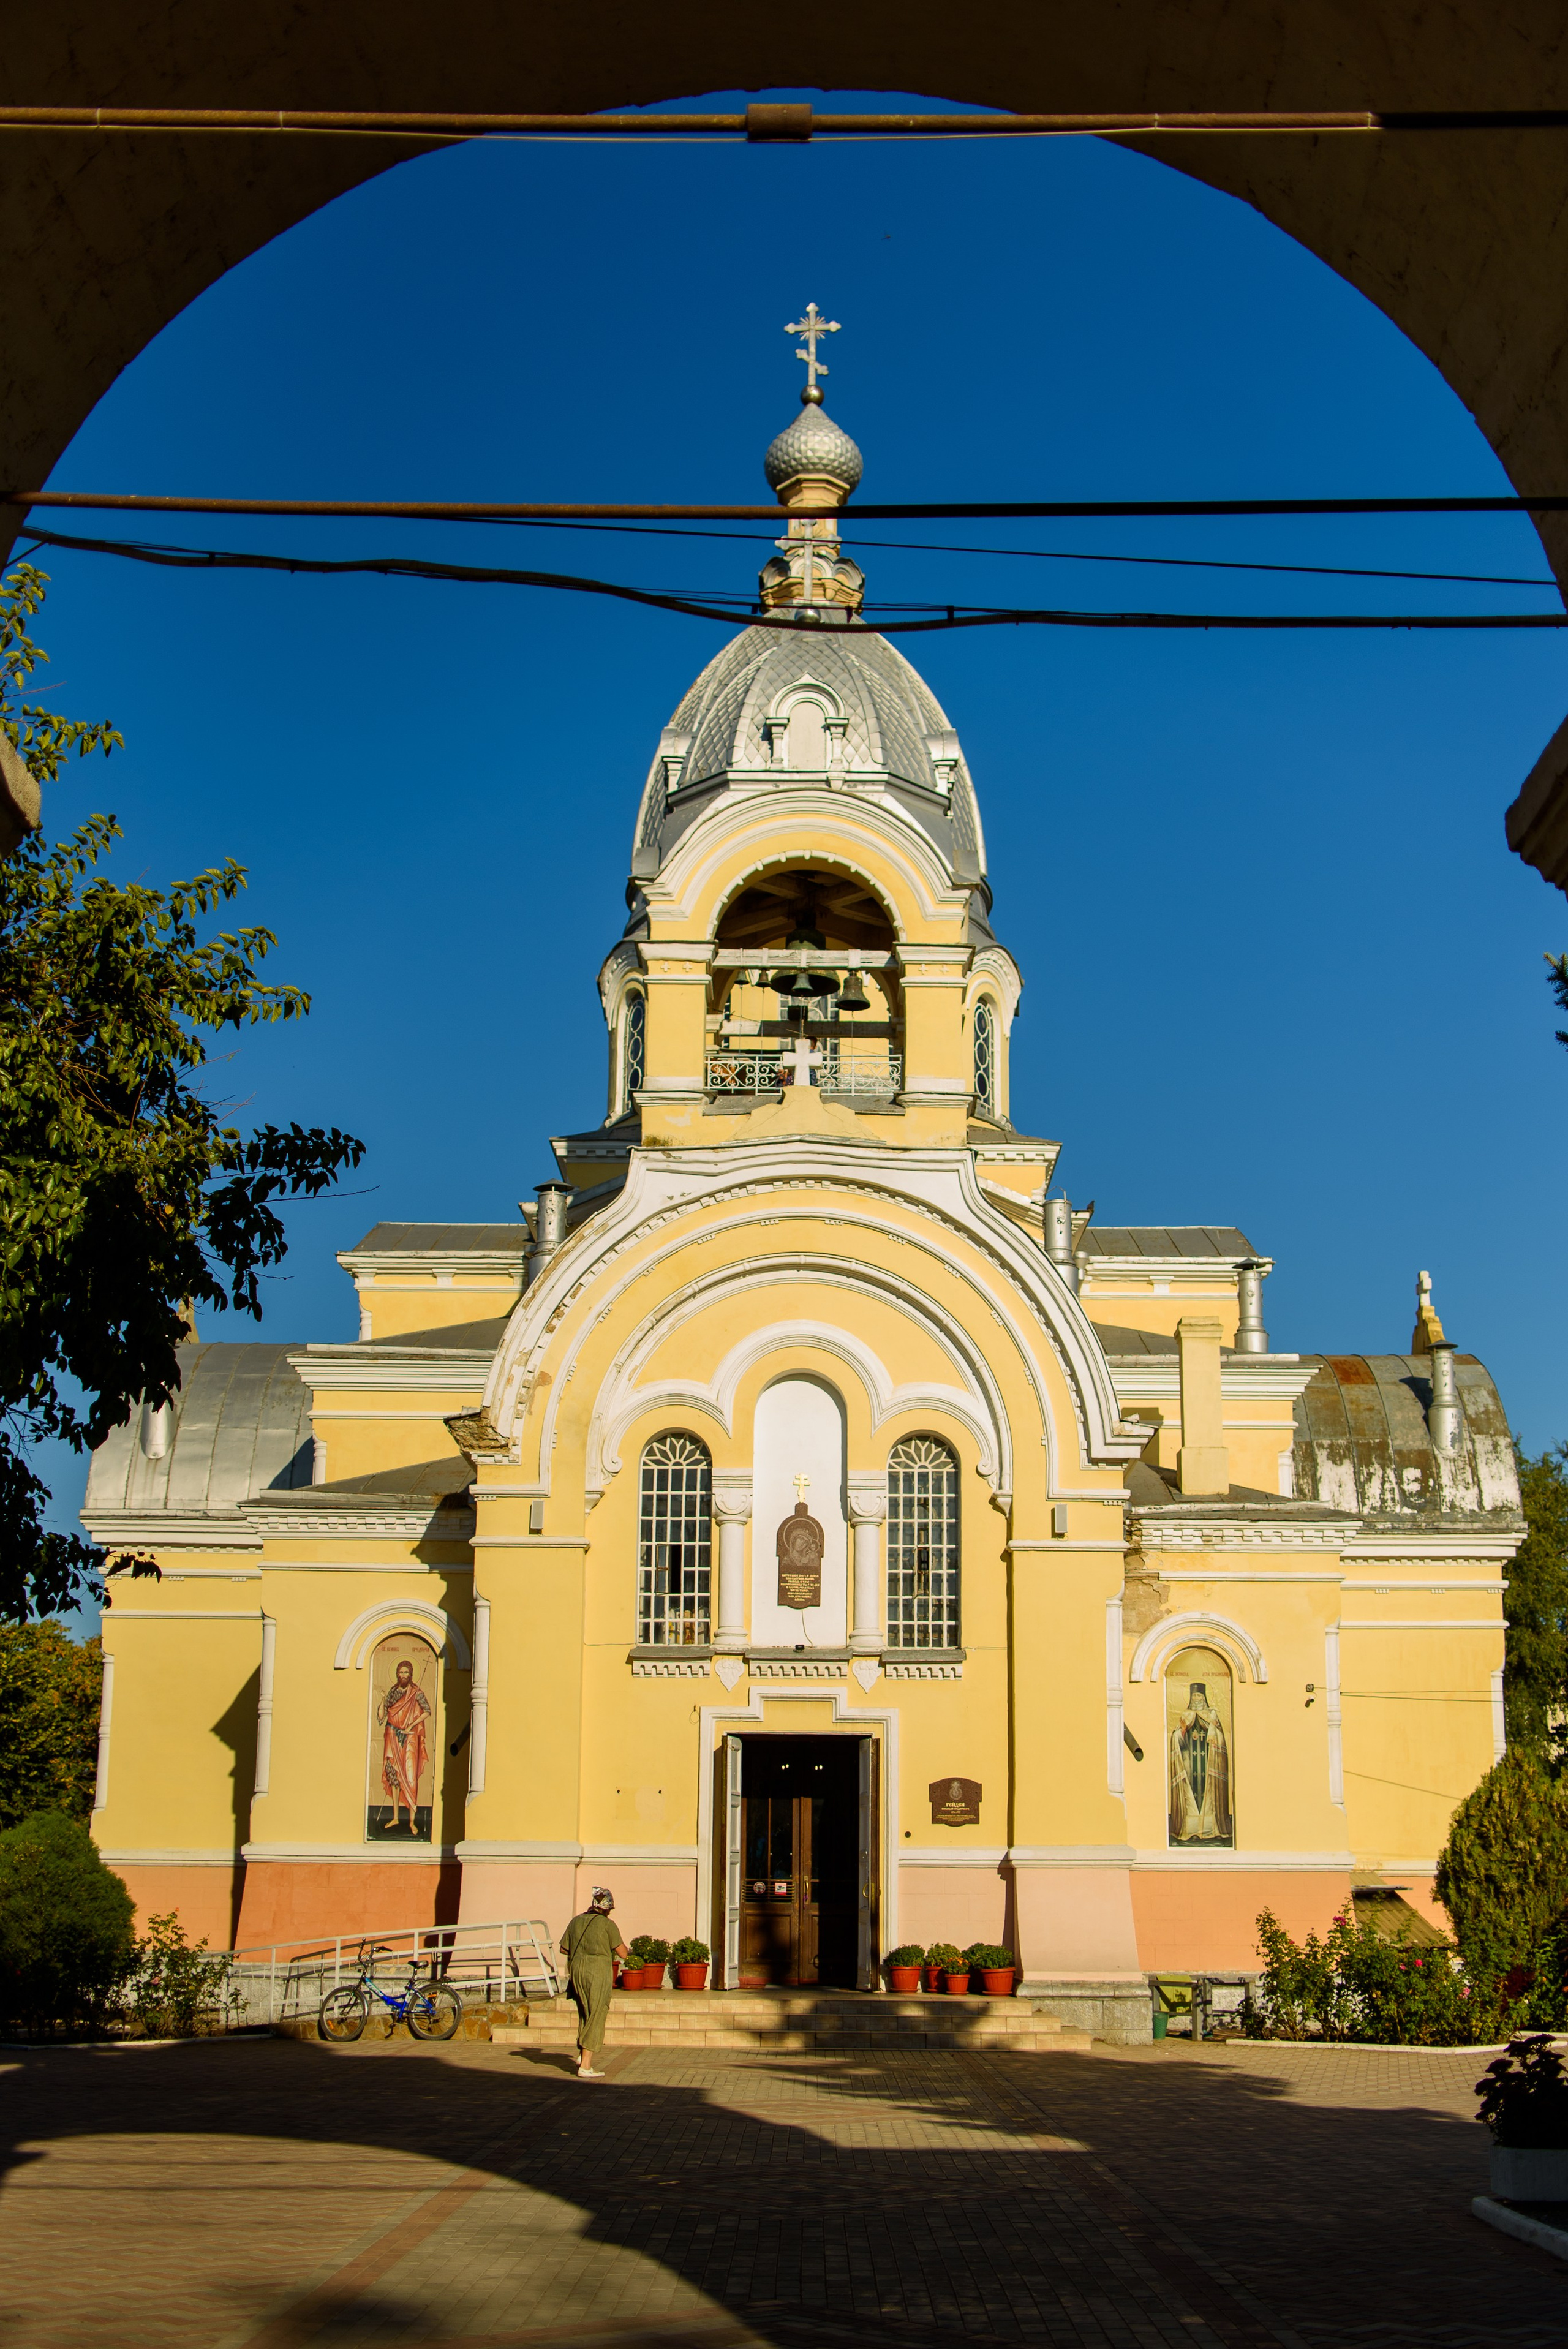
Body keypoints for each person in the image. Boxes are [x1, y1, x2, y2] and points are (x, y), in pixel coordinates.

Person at [559, 1886, 630, 2078]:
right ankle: (586, 2066)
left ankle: (582, 2055)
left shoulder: (576, 1921)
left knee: (585, 2013)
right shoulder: (608, 1925)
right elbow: (623, 1953)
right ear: (607, 1908)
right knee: (597, 2014)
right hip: (598, 1972)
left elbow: (564, 1949)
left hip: (577, 1970)